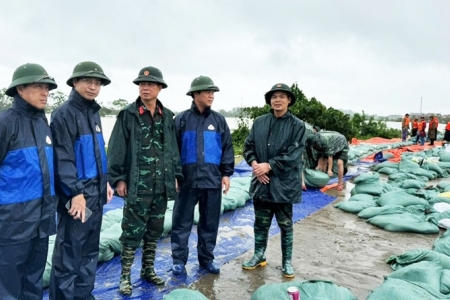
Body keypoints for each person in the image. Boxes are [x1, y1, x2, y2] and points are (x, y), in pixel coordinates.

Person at [108, 66, 182, 295]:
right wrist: (118, 179)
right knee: (131, 232)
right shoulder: (128, 115)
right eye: (141, 84)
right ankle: (125, 277)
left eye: (150, 84)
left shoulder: (167, 115)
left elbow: (173, 149)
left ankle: (147, 270)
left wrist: (176, 176)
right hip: (137, 185)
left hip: (160, 186)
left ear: (160, 88)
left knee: (154, 230)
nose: (145, 87)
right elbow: (117, 149)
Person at [49, 61, 114, 300]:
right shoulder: (64, 114)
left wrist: (105, 181)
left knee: (89, 252)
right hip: (76, 199)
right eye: (88, 81)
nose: (93, 86)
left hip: (95, 195)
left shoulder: (94, 114)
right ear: (75, 82)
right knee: (69, 255)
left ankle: (84, 295)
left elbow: (98, 153)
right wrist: (75, 192)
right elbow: (63, 159)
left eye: (97, 83)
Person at [0, 64, 57, 299]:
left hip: (41, 220)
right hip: (12, 222)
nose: (45, 93)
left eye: (47, 88)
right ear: (20, 89)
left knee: (34, 281)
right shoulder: (5, 123)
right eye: (38, 87)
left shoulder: (43, 123)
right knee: (9, 285)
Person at [171, 76, 234, 276]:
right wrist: (174, 174)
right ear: (195, 94)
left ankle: (206, 259)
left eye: (213, 92)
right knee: (181, 222)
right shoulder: (181, 120)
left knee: (209, 223)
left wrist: (226, 173)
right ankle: (179, 261)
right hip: (187, 181)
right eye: (207, 92)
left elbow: (227, 148)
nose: (211, 95)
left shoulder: (219, 120)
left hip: (212, 180)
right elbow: (173, 150)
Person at [242, 83, 305, 278]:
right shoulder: (260, 122)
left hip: (284, 185)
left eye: (282, 96)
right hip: (261, 183)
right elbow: (248, 146)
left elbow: (294, 154)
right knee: (260, 223)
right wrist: (255, 165)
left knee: (285, 224)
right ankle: (259, 255)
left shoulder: (297, 126)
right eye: (274, 96)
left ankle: (287, 261)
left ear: (289, 101)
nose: (277, 100)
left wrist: (269, 166)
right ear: (269, 100)